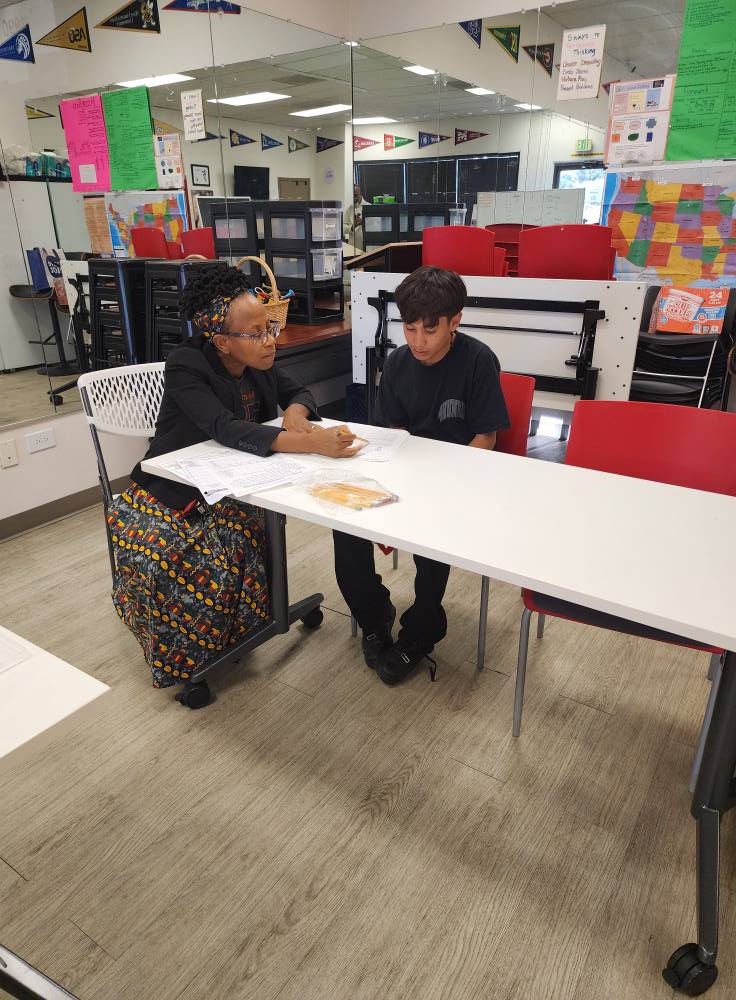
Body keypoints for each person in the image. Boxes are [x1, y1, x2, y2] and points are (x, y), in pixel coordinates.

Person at [108, 263, 359, 694]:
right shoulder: (186, 364)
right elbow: (225, 428)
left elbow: (298, 392)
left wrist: (295, 412)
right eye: (257, 333)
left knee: (241, 532)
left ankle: (239, 629)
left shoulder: (260, 360)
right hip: (172, 488)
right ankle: (191, 658)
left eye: (270, 329)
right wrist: (312, 443)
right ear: (222, 340)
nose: (270, 340)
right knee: (172, 556)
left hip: (236, 483)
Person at [333, 266, 510, 686]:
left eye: (430, 330)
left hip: (460, 479)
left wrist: (443, 483)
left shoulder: (478, 361)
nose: (418, 342)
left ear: (455, 322)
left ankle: (421, 633)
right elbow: (393, 434)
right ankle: (375, 617)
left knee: (433, 533)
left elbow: (486, 437)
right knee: (344, 523)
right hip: (407, 473)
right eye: (409, 329)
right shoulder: (398, 362)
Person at [344, 184, 369, 250]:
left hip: (365, 246)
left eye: (355, 195)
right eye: (352, 196)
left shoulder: (369, 207)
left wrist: (365, 222)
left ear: (360, 193)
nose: (354, 198)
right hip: (352, 246)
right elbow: (343, 227)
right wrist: (352, 227)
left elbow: (376, 226)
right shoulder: (349, 209)